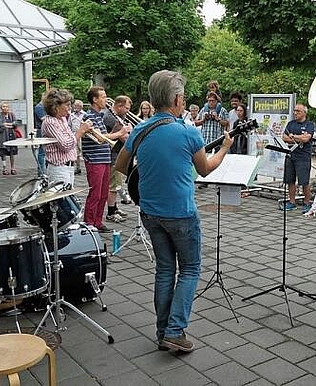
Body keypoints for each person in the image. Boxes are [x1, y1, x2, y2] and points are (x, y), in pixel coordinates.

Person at [115, 70, 233, 353]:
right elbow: (205, 169)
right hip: (181, 213)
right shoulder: (188, 132)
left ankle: (162, 332)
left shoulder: (141, 129)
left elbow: (120, 166)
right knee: (190, 269)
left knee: (165, 269)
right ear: (178, 99)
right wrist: (226, 147)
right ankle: (176, 331)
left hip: (150, 213)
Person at [82, 86, 120, 233]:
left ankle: (98, 221)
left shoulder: (99, 116)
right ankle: (89, 223)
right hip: (94, 159)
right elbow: (100, 137)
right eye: (103, 97)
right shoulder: (89, 116)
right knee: (95, 193)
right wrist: (120, 133)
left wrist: (118, 129)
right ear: (95, 99)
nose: (106, 99)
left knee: (104, 193)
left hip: (104, 158)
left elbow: (105, 136)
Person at [42, 88, 89, 187]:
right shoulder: (50, 122)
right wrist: (81, 131)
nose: (70, 108)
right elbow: (66, 145)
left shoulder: (62, 119)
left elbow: (70, 138)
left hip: (69, 167)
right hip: (59, 168)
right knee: (63, 201)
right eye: (67, 105)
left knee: (69, 197)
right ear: (56, 106)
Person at [281, 103, 314, 213]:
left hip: (303, 157)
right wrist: (298, 138)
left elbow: (306, 138)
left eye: (298, 111)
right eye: (294, 110)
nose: (295, 113)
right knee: (290, 180)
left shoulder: (309, 125)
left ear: (304, 112)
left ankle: (307, 203)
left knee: (304, 181)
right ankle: (292, 202)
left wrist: (293, 136)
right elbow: (284, 137)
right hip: (291, 155)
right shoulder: (291, 124)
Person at [104, 95, 133, 223]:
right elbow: (124, 138)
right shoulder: (110, 117)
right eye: (126, 108)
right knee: (113, 185)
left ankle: (114, 208)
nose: (128, 111)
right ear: (119, 106)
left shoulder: (119, 117)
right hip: (113, 155)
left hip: (118, 154)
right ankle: (110, 212)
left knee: (117, 184)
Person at [0, 101, 19, 176]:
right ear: (1, 108)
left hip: (11, 135)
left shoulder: (12, 114)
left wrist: (8, 125)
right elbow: (0, 124)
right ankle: (4, 168)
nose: (5, 108)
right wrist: (9, 125)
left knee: (12, 152)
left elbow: (15, 124)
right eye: (3, 107)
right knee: (3, 152)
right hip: (2, 136)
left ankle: (12, 168)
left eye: (6, 106)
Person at [69, 99, 86, 175]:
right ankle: (78, 168)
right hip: (74, 134)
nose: (76, 107)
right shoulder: (71, 115)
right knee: (76, 152)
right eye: (75, 105)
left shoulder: (84, 114)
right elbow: (69, 125)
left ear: (81, 106)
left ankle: (86, 167)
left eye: (78, 106)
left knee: (83, 152)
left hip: (83, 135)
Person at [34, 101, 47, 177]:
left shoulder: (45, 107)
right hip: (41, 130)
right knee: (42, 152)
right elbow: (44, 119)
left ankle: (46, 170)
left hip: (46, 130)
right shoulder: (39, 107)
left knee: (46, 152)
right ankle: (41, 172)